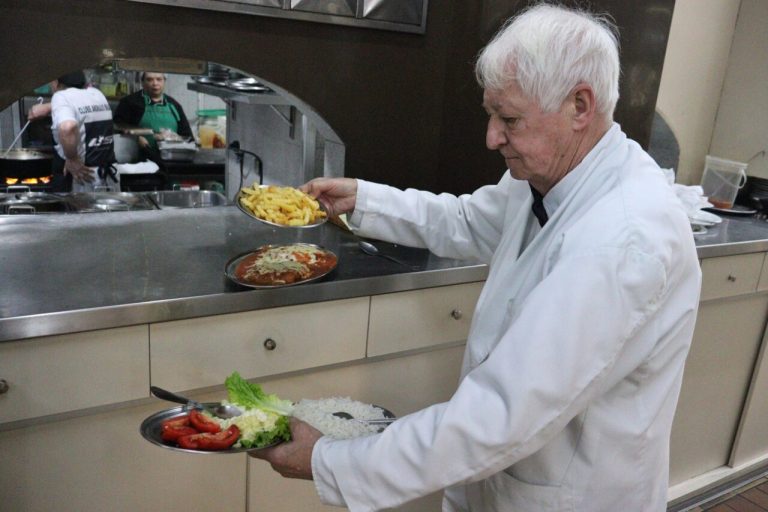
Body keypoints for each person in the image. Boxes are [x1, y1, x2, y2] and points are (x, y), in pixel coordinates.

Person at [251, 4, 702, 512]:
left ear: (580, 105)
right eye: (492, 115)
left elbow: (500, 415)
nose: (492, 138)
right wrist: (364, 199)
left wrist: (331, 461)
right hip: (508, 478)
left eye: (509, 119)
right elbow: (466, 220)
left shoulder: (624, 238)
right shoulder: (549, 177)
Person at [48, 71, 116, 192]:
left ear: (56, 82)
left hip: (80, 175)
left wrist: (72, 159)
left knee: (74, 209)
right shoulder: (97, 93)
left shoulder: (61, 96)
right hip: (106, 174)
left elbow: (67, 127)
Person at [113, 71, 193, 159]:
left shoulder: (174, 105)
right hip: (138, 160)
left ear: (164, 81)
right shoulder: (129, 102)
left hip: (169, 160)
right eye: (149, 80)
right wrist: (136, 138)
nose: (155, 83)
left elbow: (188, 137)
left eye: (159, 79)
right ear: (142, 82)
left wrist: (177, 138)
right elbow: (117, 127)